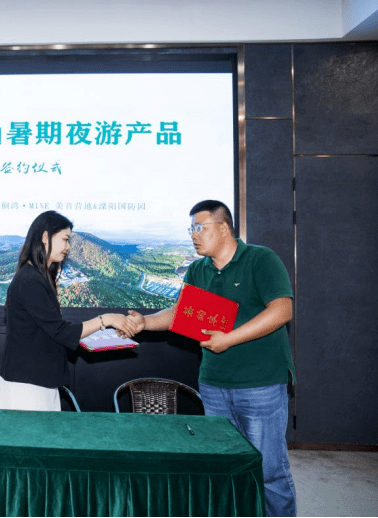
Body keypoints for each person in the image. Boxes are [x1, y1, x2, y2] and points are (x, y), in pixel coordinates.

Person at [122, 200, 297, 517]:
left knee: (269, 470)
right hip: (215, 384)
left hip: (260, 384)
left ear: (224, 228)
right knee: (225, 465)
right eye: (191, 229)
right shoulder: (198, 270)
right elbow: (179, 313)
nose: (193, 235)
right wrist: (145, 322)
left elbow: (282, 310)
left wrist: (229, 339)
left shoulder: (260, 259)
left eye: (199, 227)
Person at [0, 210, 137, 411]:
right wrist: (105, 319)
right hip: (27, 386)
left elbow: (51, 330)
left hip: (37, 380)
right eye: (65, 239)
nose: (68, 247)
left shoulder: (38, 276)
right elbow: (60, 331)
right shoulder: (30, 280)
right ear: (45, 237)